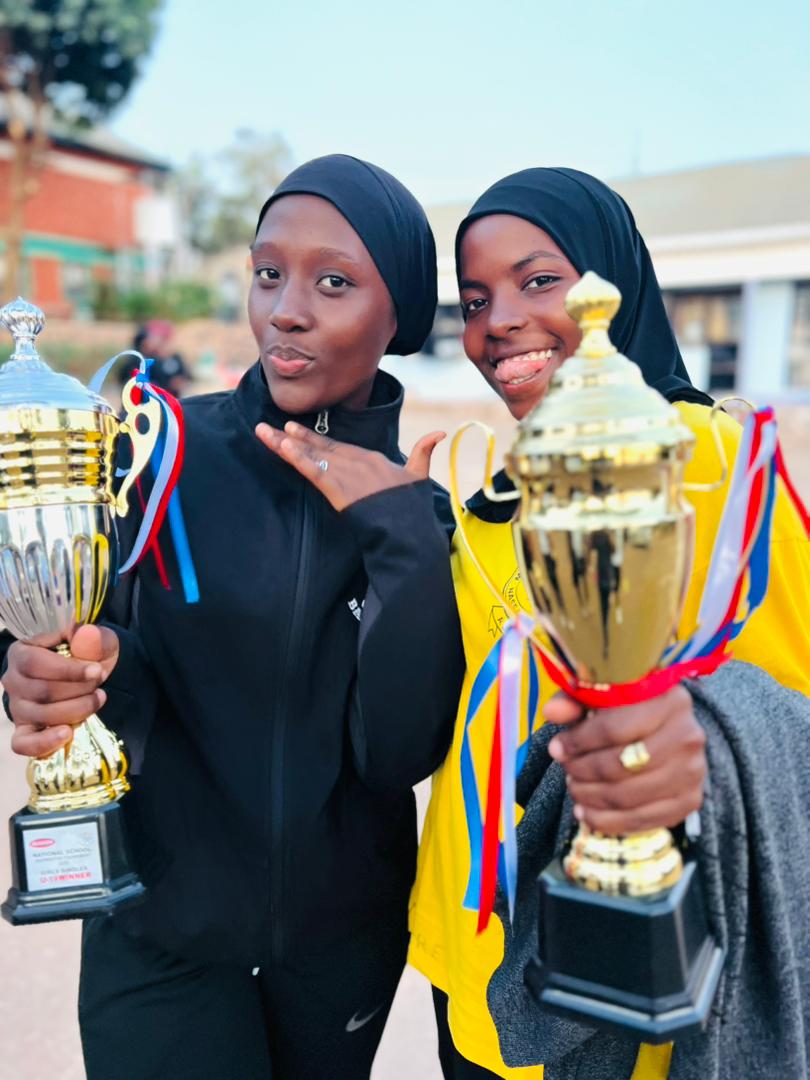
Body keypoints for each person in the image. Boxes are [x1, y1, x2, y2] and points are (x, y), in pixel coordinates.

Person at [3, 155, 464, 1080]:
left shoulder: (423, 510)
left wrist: (403, 544)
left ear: (400, 315)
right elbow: (72, 622)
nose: (285, 310)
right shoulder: (157, 452)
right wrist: (61, 670)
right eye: (268, 273)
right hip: (156, 929)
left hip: (340, 948)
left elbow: (398, 753)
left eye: (334, 282)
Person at [407, 167, 810, 1080]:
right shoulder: (489, 506)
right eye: (476, 299)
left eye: (539, 280)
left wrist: (697, 742)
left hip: (635, 967)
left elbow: (793, 715)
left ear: (612, 285)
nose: (499, 321)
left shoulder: (713, 464)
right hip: (476, 953)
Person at [119, 319, 193, 398]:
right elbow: (125, 381)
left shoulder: (174, 358)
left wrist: (180, 382)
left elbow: (186, 376)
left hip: (171, 400)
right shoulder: (137, 360)